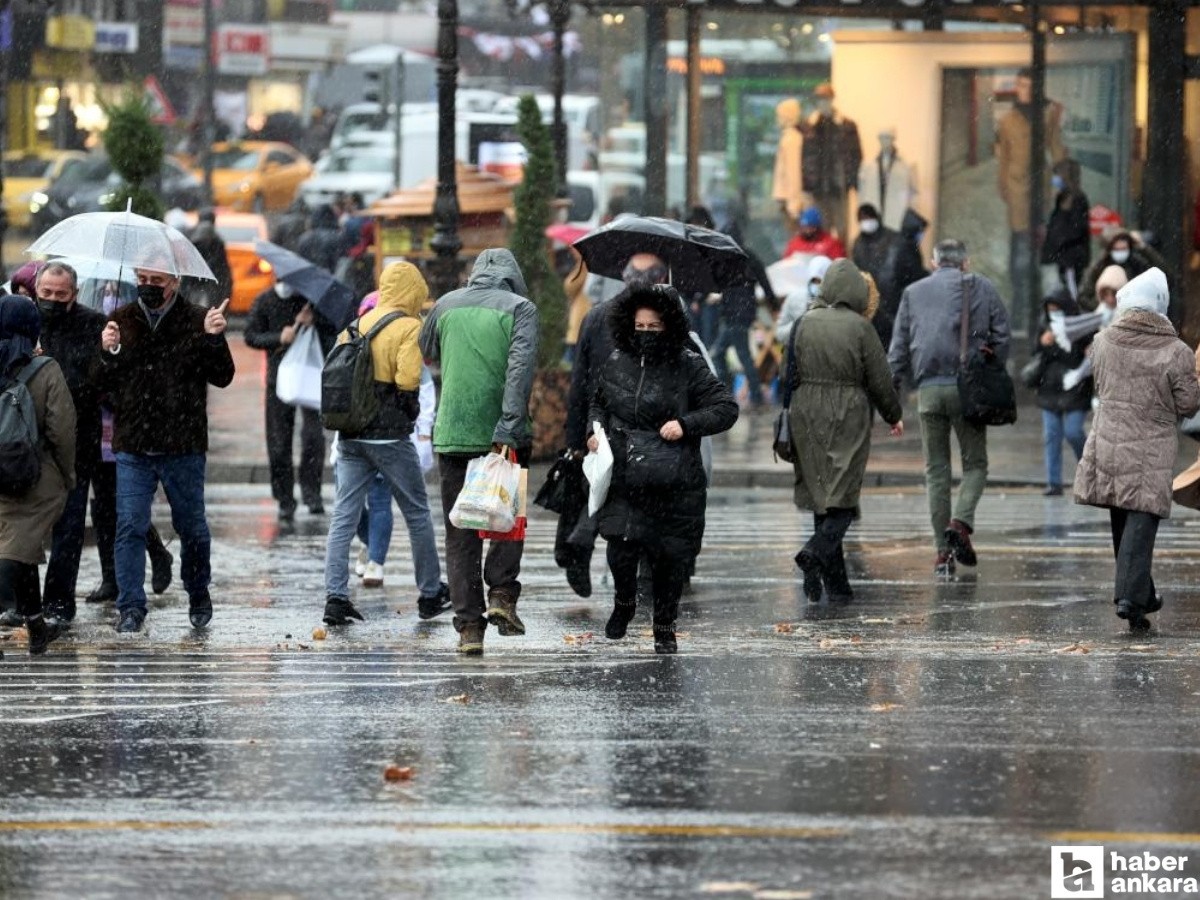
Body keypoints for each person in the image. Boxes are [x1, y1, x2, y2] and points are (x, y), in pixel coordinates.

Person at [586, 284, 738, 653]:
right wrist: (594, 431)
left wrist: (685, 424)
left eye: (654, 328)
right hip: (625, 471)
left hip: (675, 478)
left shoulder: (688, 364)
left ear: (668, 327)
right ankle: (624, 603)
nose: (647, 335)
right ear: (628, 325)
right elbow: (598, 403)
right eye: (640, 327)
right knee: (620, 548)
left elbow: (725, 408)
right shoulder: (617, 360)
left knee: (670, 557)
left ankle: (664, 625)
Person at [96, 267, 235, 633]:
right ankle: (130, 606)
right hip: (133, 444)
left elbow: (222, 376)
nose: (148, 286)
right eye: (143, 278)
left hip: (182, 444)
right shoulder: (121, 319)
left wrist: (213, 339)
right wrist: (108, 352)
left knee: (192, 527)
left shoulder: (196, 319)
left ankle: (197, 591)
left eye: (157, 281)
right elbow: (101, 382)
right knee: (129, 525)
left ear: (174, 281)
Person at [419, 249, 538, 655]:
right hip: (502, 433)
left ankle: (469, 626)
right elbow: (519, 372)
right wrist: (507, 427)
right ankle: (502, 594)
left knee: (460, 530)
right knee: (506, 518)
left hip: (452, 430)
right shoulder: (521, 309)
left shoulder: (445, 305)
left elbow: (425, 347)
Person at [321, 262, 449, 627]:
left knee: (343, 516)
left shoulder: (354, 325)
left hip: (351, 434)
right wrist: (408, 412)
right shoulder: (409, 327)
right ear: (412, 291)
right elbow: (408, 378)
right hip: (389, 435)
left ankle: (335, 597)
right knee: (416, 512)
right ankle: (429, 593)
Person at [1073, 268, 1200, 631]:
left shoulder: (1102, 341)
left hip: (1108, 441)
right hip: (1151, 447)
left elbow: (1101, 384)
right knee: (1141, 521)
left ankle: (1142, 596)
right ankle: (1129, 597)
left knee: (1122, 516)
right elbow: (1189, 403)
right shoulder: (1175, 352)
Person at [887, 239, 1011, 577]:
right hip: (967, 389)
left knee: (936, 471)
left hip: (928, 391)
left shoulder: (913, 292)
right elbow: (1003, 336)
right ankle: (960, 522)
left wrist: (889, 400)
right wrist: (989, 360)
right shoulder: (982, 287)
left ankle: (942, 554)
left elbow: (897, 350)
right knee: (975, 464)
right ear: (965, 263)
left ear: (933, 262)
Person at [788, 260, 902, 603]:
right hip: (848, 411)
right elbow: (879, 377)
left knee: (820, 495)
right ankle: (816, 550)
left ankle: (835, 584)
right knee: (844, 495)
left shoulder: (803, 323)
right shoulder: (860, 328)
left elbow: (786, 373)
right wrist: (892, 414)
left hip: (805, 410)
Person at [562, 252, 671, 598]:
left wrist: (577, 434)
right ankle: (632, 570)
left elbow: (578, 382)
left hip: (602, 421)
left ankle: (584, 537)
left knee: (609, 486)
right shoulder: (659, 320)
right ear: (658, 279)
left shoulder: (596, 316)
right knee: (635, 497)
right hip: (639, 422)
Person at [29, 264, 105, 625]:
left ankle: (59, 602)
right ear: (36, 290)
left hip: (78, 441)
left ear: (74, 294)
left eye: (61, 294)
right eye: (47, 293)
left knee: (70, 526)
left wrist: (108, 351)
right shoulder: (25, 320)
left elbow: (98, 381)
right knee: (25, 526)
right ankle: (24, 601)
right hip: (31, 442)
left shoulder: (94, 324)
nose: (53, 300)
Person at [0, 296, 76, 655]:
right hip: (34, 475)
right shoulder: (46, 370)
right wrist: (67, 473)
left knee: (23, 550)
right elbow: (62, 430)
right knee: (15, 553)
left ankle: (36, 627)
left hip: (2, 474)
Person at [243, 281, 337, 521]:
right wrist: (279, 337)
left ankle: (312, 494)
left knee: (314, 437)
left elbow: (334, 331)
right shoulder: (265, 300)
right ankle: (285, 498)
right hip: (278, 379)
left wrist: (315, 320)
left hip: (309, 375)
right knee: (278, 441)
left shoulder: (311, 300)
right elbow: (250, 335)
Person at [996, 68, 1067, 319]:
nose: (1023, 90)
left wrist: (1063, 175)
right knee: (1019, 243)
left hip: (1040, 189)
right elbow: (1003, 156)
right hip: (1017, 188)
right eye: (1020, 85)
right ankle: (1018, 297)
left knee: (1039, 242)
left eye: (1028, 85)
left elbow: (1057, 149)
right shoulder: (1007, 120)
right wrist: (1003, 185)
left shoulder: (1046, 116)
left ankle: (1038, 299)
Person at [1023, 288, 1093, 497]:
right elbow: (1034, 352)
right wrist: (1042, 342)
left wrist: (1085, 348)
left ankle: (1089, 474)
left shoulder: (1082, 325)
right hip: (1049, 388)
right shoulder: (1044, 324)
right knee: (1051, 435)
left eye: (1057, 309)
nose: (1054, 313)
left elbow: (1090, 351)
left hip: (1075, 388)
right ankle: (1054, 483)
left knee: (1073, 432)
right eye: (1050, 309)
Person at [851, 203, 926, 349]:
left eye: (868, 217)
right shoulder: (858, 245)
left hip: (893, 309)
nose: (866, 222)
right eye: (862, 218)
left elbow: (912, 275)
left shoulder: (897, 243)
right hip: (873, 313)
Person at [1078, 231, 1169, 312]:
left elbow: (1164, 274)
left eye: (1123, 249)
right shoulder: (1099, 267)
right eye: (1117, 249)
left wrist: (1143, 247)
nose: (1120, 252)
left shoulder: (1136, 264)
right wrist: (1104, 307)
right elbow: (1083, 296)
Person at [1040, 159, 1091, 293]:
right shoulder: (1062, 197)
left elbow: (1076, 229)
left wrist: (1059, 239)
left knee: (1071, 294)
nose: (1056, 180)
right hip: (1059, 259)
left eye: (1058, 176)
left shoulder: (1079, 199)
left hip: (1070, 259)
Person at [775, 255, 832, 343]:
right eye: (814, 281)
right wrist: (800, 324)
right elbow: (780, 334)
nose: (817, 285)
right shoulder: (795, 299)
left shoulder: (838, 300)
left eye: (821, 281)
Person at [184, 208, 233, 309]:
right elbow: (223, 269)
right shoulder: (217, 240)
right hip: (207, 286)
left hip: (196, 285)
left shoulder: (189, 236)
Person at [295, 204, 346, 274]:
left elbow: (300, 262)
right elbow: (341, 262)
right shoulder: (338, 237)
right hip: (330, 277)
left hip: (310, 277)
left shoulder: (304, 238)